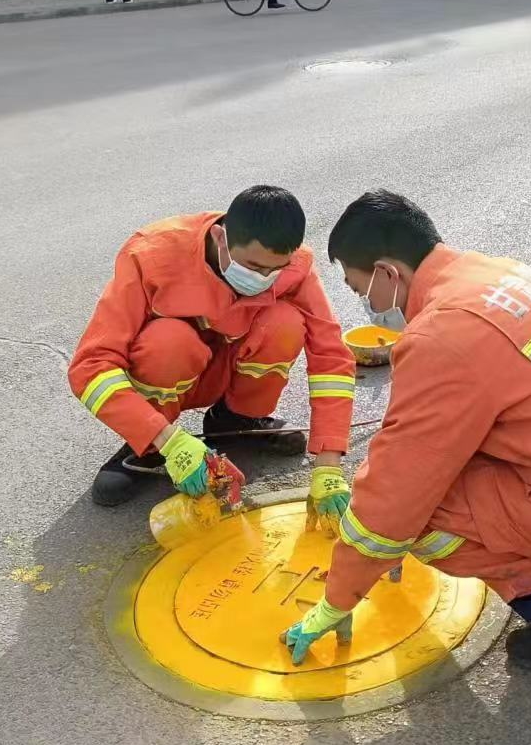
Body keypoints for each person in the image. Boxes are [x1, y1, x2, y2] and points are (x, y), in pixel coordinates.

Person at [283, 190, 531, 676]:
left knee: (422, 510)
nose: (366, 306)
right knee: (434, 474)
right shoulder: (488, 273)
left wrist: (337, 599)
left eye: (360, 290)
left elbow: (395, 493)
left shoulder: (444, 335)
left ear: (389, 273)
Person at [68, 186, 357, 508]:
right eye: (253, 266)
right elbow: (91, 366)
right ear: (221, 239)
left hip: (230, 364)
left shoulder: (294, 266)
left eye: (274, 271)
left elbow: (330, 356)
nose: (264, 278)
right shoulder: (151, 255)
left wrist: (329, 465)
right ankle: (149, 447)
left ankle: (236, 420)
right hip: (175, 370)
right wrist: (167, 440)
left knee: (284, 324)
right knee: (167, 340)